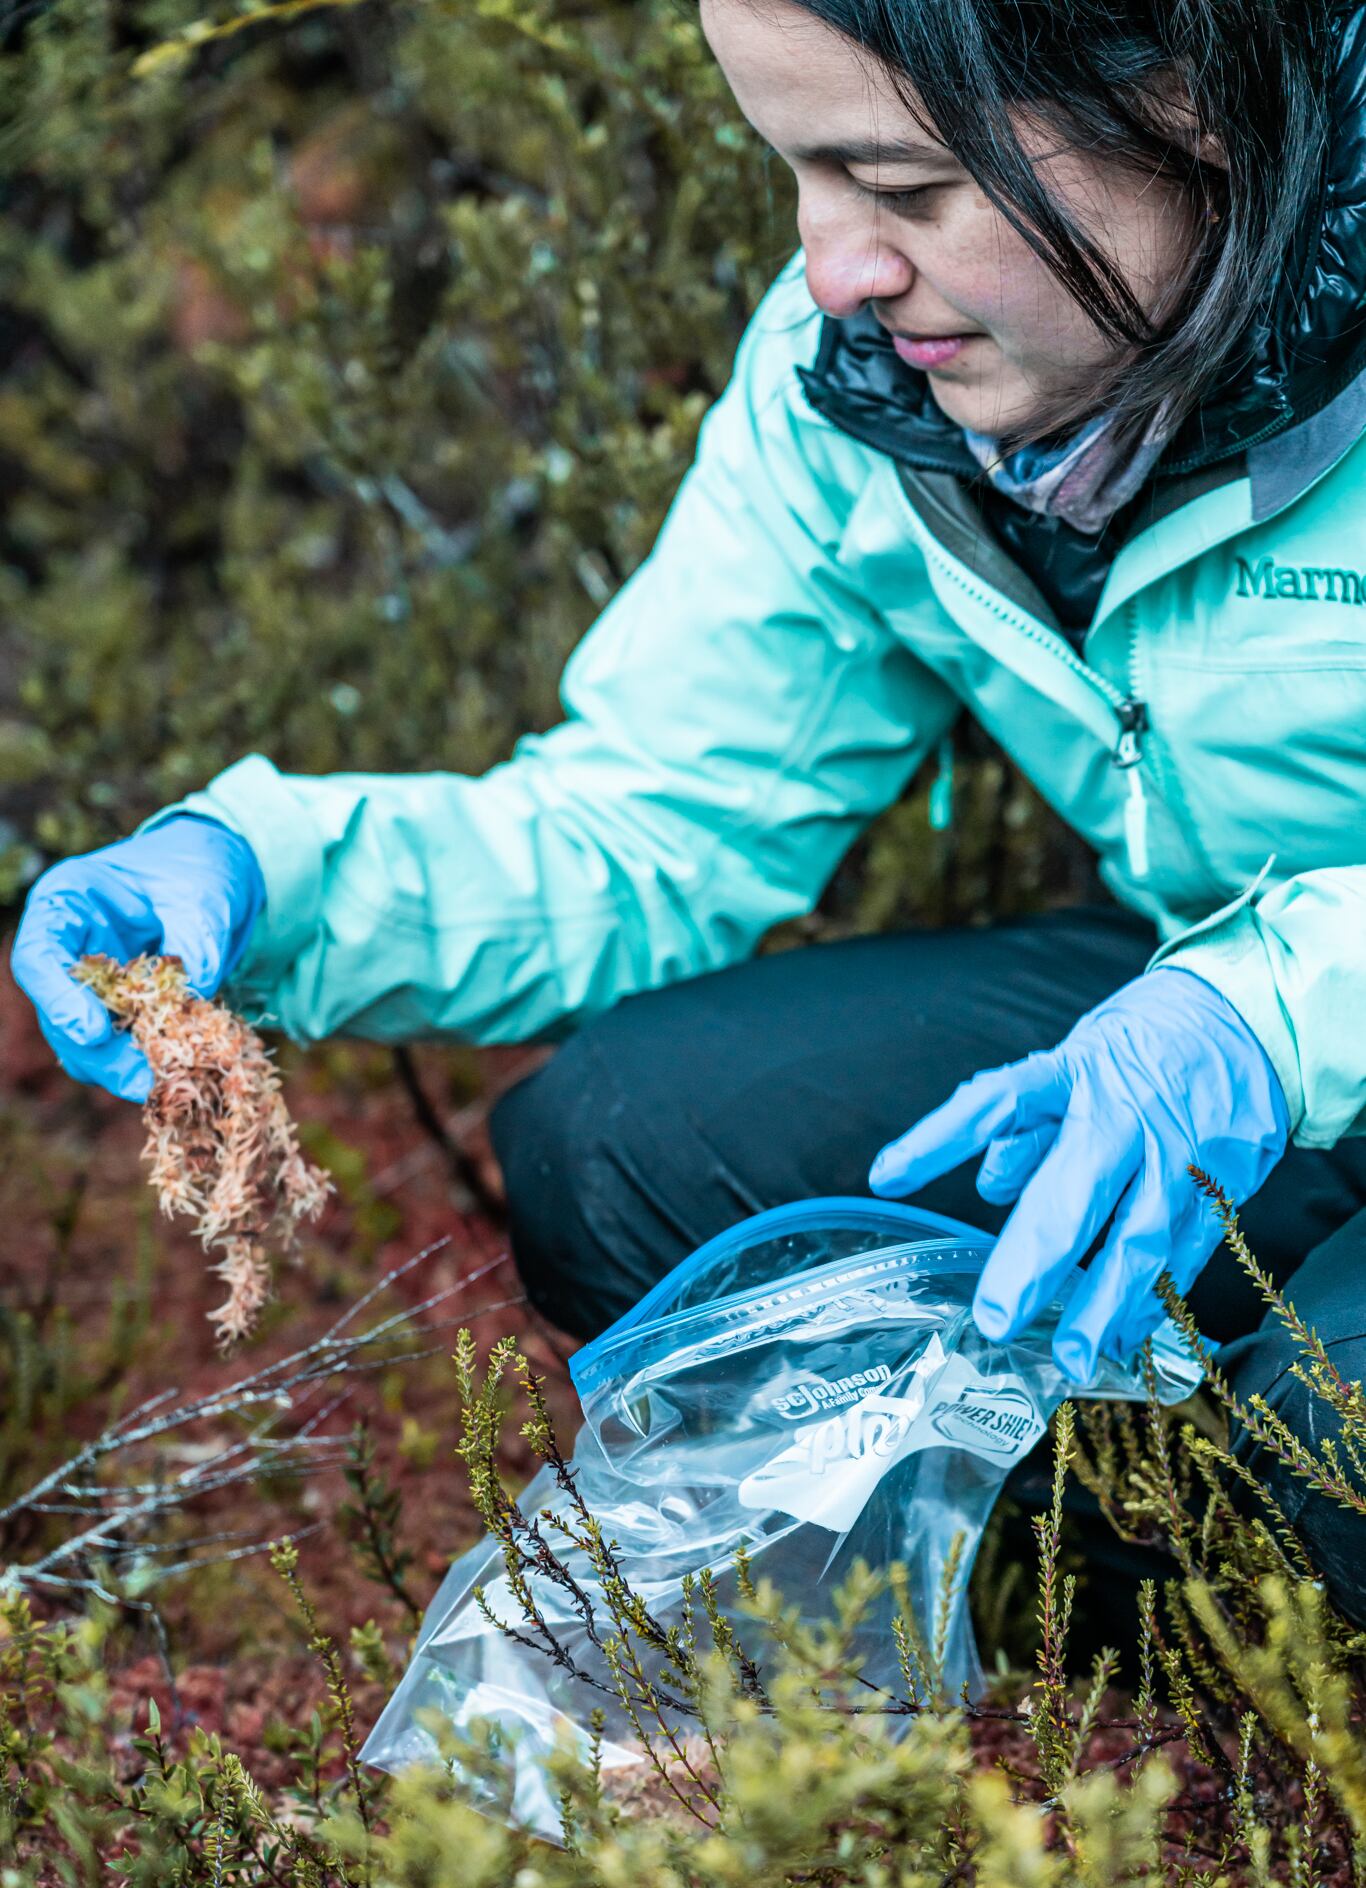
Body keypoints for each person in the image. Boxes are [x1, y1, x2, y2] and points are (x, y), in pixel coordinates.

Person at [14, 0, 1366, 1616]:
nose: (833, 272)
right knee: (628, 1154)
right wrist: (266, 874)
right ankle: (1067, 1609)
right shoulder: (864, 396)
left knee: (1332, 1433)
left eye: (908, 188)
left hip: (1251, 1022)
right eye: (797, 174)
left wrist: (1273, 1018)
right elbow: (658, 821)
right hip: (1197, 1018)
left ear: (1196, 104)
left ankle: (1232, 1576)